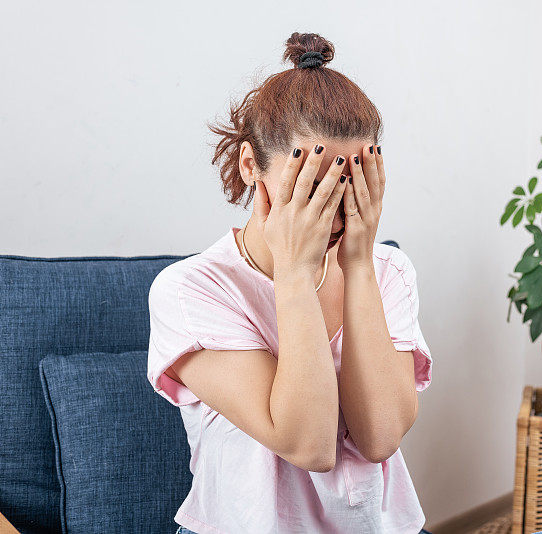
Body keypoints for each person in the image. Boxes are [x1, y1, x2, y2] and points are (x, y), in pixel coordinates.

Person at [147, 32, 433, 533]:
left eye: (354, 183)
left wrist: (360, 264)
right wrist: (295, 274)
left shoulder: (389, 272)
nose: (335, 210)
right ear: (250, 166)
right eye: (313, 185)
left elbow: (381, 437)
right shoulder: (191, 290)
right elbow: (310, 444)